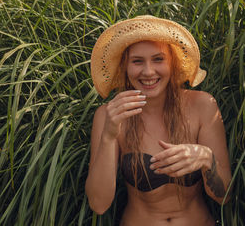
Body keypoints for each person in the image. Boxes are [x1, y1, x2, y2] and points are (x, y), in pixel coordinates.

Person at [85, 15, 232, 225]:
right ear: (125, 67)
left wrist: (207, 158)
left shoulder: (203, 106)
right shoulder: (109, 115)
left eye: (158, 59)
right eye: (137, 61)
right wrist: (108, 136)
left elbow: (224, 197)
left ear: (172, 63)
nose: (148, 72)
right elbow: (99, 204)